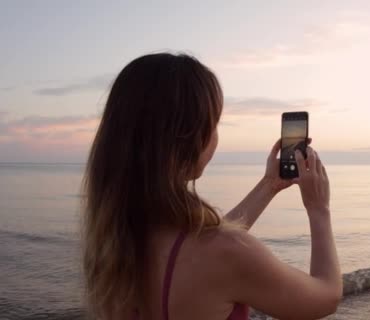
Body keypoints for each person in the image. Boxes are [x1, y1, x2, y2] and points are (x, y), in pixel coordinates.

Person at [81, 52, 342, 320]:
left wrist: (268, 185)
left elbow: (203, 243)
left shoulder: (112, 243)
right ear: (190, 137)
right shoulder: (225, 254)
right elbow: (325, 297)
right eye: (214, 123)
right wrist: (318, 209)